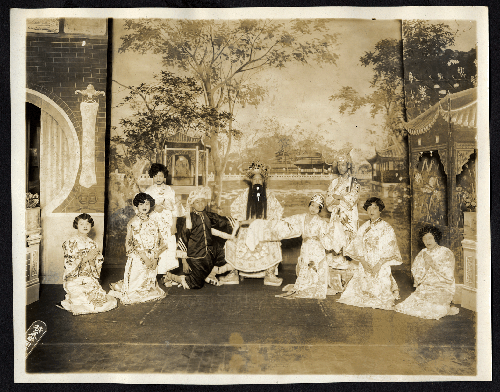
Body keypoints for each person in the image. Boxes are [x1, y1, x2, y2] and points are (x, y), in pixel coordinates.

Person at [268, 194, 345, 299]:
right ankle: (305, 284)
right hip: (306, 246)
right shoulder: (302, 217)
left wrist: (323, 238)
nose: (313, 209)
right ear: (309, 205)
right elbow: (290, 222)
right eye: (312, 205)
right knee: (305, 263)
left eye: (317, 207)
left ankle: (314, 284)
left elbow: (327, 236)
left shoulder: (321, 222)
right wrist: (274, 223)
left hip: (317, 247)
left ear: (320, 210)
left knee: (314, 265)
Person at [221, 161, 284, 286]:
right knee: (231, 242)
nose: (257, 182)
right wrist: (245, 222)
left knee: (274, 242)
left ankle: (269, 274)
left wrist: (264, 223)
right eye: (254, 179)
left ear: (263, 181)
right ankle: (234, 274)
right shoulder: (244, 195)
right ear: (251, 181)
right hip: (246, 228)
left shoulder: (269, 196)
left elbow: (277, 211)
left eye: (259, 179)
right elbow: (235, 209)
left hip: (263, 229)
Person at [164, 186, 239, 289]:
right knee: (196, 284)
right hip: (195, 256)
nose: (200, 204)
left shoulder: (208, 216)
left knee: (227, 252)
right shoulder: (189, 219)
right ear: (192, 204)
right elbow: (182, 239)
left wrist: (239, 222)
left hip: (210, 252)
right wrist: (184, 261)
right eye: (197, 202)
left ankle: (210, 273)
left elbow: (223, 221)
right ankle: (170, 276)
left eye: (202, 201)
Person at [338, 197, 402, 310]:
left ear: (380, 210)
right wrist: (363, 261)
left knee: (380, 294)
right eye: (369, 208)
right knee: (356, 293)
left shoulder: (387, 228)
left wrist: (379, 264)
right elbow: (357, 244)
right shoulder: (364, 227)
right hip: (366, 261)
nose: (371, 211)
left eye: (375, 208)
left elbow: (389, 248)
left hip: (380, 262)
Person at [108, 193, 166, 304]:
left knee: (150, 287)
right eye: (141, 204)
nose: (144, 206)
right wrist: (145, 258)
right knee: (132, 293)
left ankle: (124, 285)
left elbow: (158, 241)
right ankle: (122, 288)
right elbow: (135, 243)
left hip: (151, 255)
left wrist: (155, 258)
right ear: (136, 206)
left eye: (147, 203)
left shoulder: (153, 222)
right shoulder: (134, 222)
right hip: (138, 257)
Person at [395, 225, 459, 319]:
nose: (427, 241)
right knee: (406, 306)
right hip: (426, 286)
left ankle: (447, 306)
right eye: (424, 239)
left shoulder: (445, 252)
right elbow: (416, 271)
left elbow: (448, 274)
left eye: (430, 238)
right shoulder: (422, 252)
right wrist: (425, 266)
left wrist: (432, 263)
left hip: (442, 286)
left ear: (436, 238)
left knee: (434, 310)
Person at [59, 213, 117, 315]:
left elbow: (97, 265)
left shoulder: (93, 244)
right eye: (81, 224)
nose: (85, 226)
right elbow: (69, 263)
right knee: (84, 300)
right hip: (74, 279)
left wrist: (91, 261)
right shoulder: (70, 242)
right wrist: (86, 258)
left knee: (99, 299)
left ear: (91, 225)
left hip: (89, 278)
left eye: (87, 223)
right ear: (76, 225)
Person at [325, 150, 360, 293]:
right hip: (336, 214)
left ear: (348, 166)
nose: (341, 167)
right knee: (336, 239)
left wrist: (338, 197)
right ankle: (337, 263)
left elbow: (352, 199)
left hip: (349, 215)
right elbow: (328, 202)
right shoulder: (333, 182)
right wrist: (339, 198)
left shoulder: (354, 182)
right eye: (338, 165)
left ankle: (347, 264)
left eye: (343, 164)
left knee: (348, 238)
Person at [145, 163, 185, 275]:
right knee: (154, 245)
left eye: (161, 176)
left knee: (168, 245)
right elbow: (142, 207)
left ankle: (166, 274)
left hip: (167, 222)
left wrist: (174, 225)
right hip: (153, 222)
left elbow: (176, 209)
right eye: (156, 175)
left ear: (164, 177)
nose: (158, 178)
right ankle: (153, 273)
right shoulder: (148, 191)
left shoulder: (169, 190)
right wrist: (153, 207)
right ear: (152, 176)